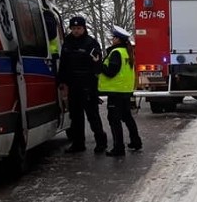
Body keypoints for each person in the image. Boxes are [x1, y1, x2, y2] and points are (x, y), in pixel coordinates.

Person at [57, 16, 108, 153]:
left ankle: (101, 142)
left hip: (87, 85)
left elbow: (97, 65)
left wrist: (93, 85)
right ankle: (78, 143)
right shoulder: (67, 42)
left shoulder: (90, 43)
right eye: (73, 28)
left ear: (84, 28)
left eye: (78, 28)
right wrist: (62, 82)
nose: (76, 31)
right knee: (75, 117)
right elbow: (63, 64)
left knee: (93, 116)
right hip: (73, 85)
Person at [97, 24, 142, 157]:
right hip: (125, 90)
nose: (112, 39)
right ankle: (136, 141)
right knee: (127, 117)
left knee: (114, 119)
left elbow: (111, 72)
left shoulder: (116, 53)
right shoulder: (127, 52)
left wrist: (99, 64)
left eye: (114, 37)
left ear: (118, 39)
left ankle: (118, 148)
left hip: (115, 91)